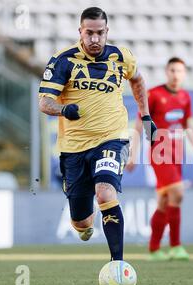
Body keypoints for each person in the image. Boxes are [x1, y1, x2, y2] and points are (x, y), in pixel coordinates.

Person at [38, 7, 157, 262]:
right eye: (89, 33)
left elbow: (137, 80)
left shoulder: (121, 57)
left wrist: (145, 115)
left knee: (105, 191)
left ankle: (118, 265)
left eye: (99, 33)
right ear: (80, 32)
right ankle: (83, 217)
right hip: (74, 148)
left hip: (111, 138)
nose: (94, 39)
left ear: (107, 32)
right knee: (81, 222)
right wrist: (63, 109)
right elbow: (44, 102)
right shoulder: (64, 60)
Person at [126, 57, 193, 261]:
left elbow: (188, 126)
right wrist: (132, 154)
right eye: (172, 70)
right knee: (178, 193)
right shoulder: (154, 94)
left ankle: (154, 249)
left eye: (179, 71)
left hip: (176, 152)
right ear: (166, 72)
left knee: (164, 201)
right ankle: (175, 246)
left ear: (184, 73)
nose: (175, 74)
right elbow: (139, 125)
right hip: (158, 152)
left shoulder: (184, 97)